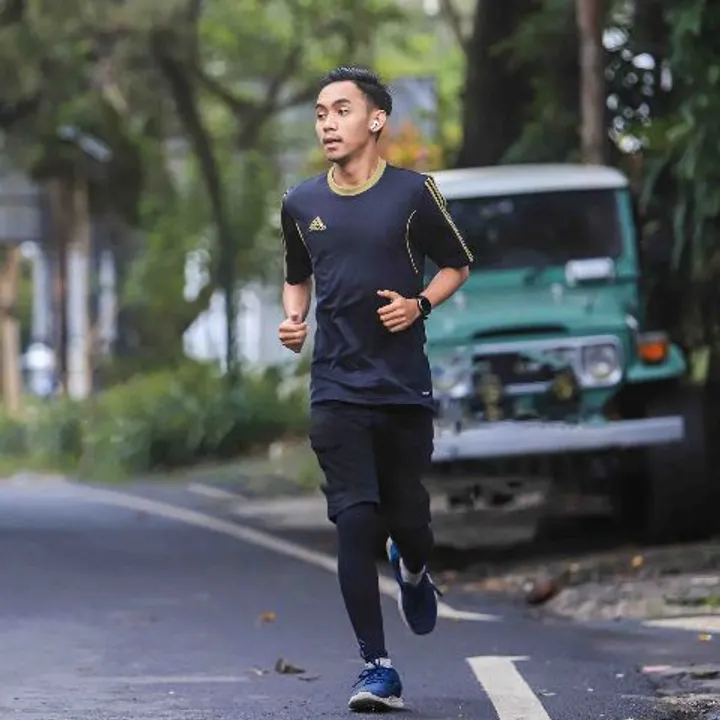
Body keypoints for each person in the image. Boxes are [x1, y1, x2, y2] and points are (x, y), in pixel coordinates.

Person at [277, 66, 472, 712]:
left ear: (376, 120)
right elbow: (297, 274)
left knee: (409, 521)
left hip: (401, 387)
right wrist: (294, 318)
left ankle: (413, 566)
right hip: (336, 387)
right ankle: (377, 667)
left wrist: (420, 304)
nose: (327, 123)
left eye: (341, 110)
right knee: (354, 521)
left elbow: (458, 264)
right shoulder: (301, 203)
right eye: (320, 113)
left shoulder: (414, 194)